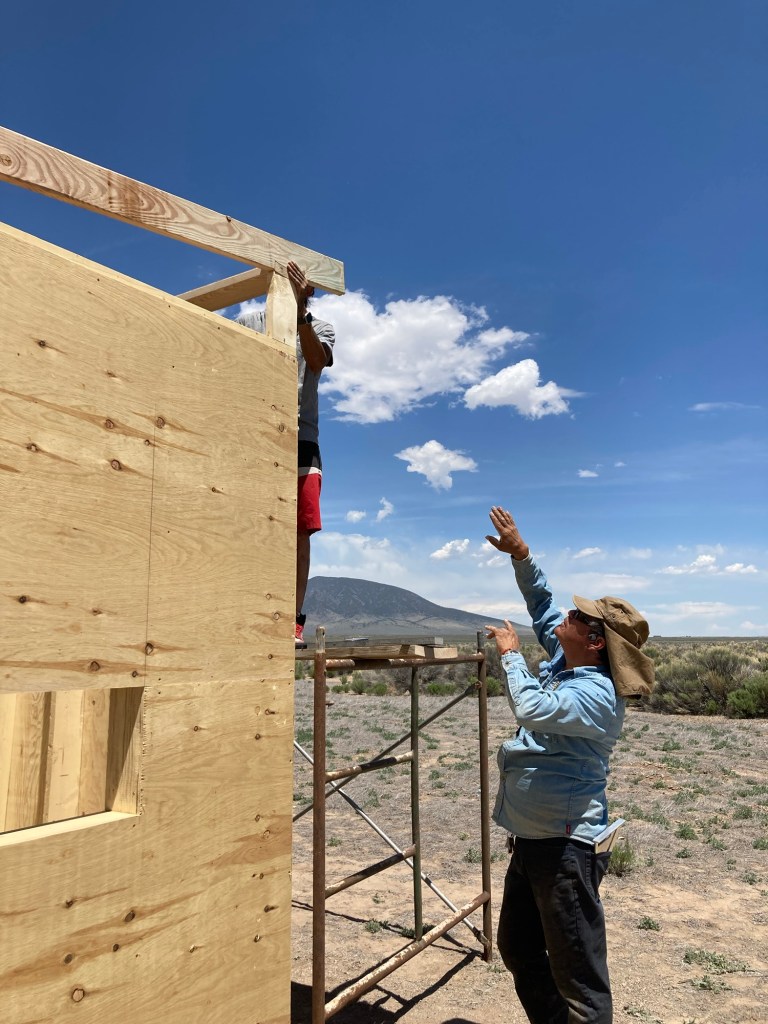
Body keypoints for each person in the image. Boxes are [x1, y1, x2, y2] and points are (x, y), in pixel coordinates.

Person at [484, 505, 654, 1024]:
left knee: (579, 979)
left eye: (579, 618)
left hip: (565, 851)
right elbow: (543, 606)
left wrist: (511, 656)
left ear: (596, 640)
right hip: (535, 842)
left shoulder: (597, 694)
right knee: (519, 948)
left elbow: (531, 707)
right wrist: (522, 555)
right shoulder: (569, 660)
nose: (567, 617)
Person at [236, 261, 335, 648]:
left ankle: (291, 620)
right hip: (255, 436)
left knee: (300, 530)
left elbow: (316, 361)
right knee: (251, 522)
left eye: (302, 285)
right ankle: (248, 606)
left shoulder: (320, 327)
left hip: (302, 439)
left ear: (310, 291)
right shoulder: (249, 322)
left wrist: (301, 315)